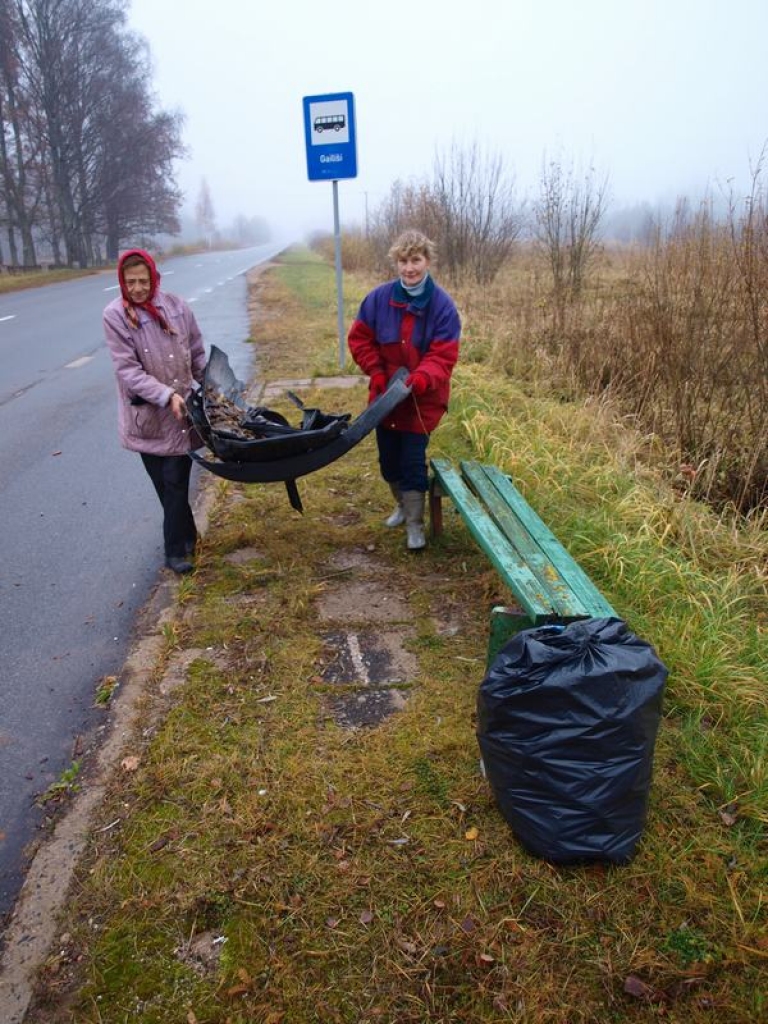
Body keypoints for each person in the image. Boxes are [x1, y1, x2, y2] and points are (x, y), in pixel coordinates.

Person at [348, 229, 461, 550]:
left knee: (412, 461)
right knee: (388, 462)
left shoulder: (442, 307)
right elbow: (359, 339)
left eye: (416, 260)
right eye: (403, 261)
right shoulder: (378, 300)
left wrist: (418, 380)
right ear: (396, 263)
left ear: (427, 261)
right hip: (384, 400)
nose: (409, 268)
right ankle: (400, 505)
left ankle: (415, 525)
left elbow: (443, 355)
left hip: (421, 402)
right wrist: (377, 371)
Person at [103, 249, 207, 574]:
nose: (136, 288)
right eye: (130, 281)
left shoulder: (176, 307)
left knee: (175, 480)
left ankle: (175, 553)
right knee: (163, 485)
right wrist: (165, 395)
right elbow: (128, 371)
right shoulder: (115, 316)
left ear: (154, 278)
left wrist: (211, 386)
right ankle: (188, 536)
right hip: (146, 418)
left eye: (143, 281)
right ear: (122, 281)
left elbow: (196, 351)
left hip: (180, 415)